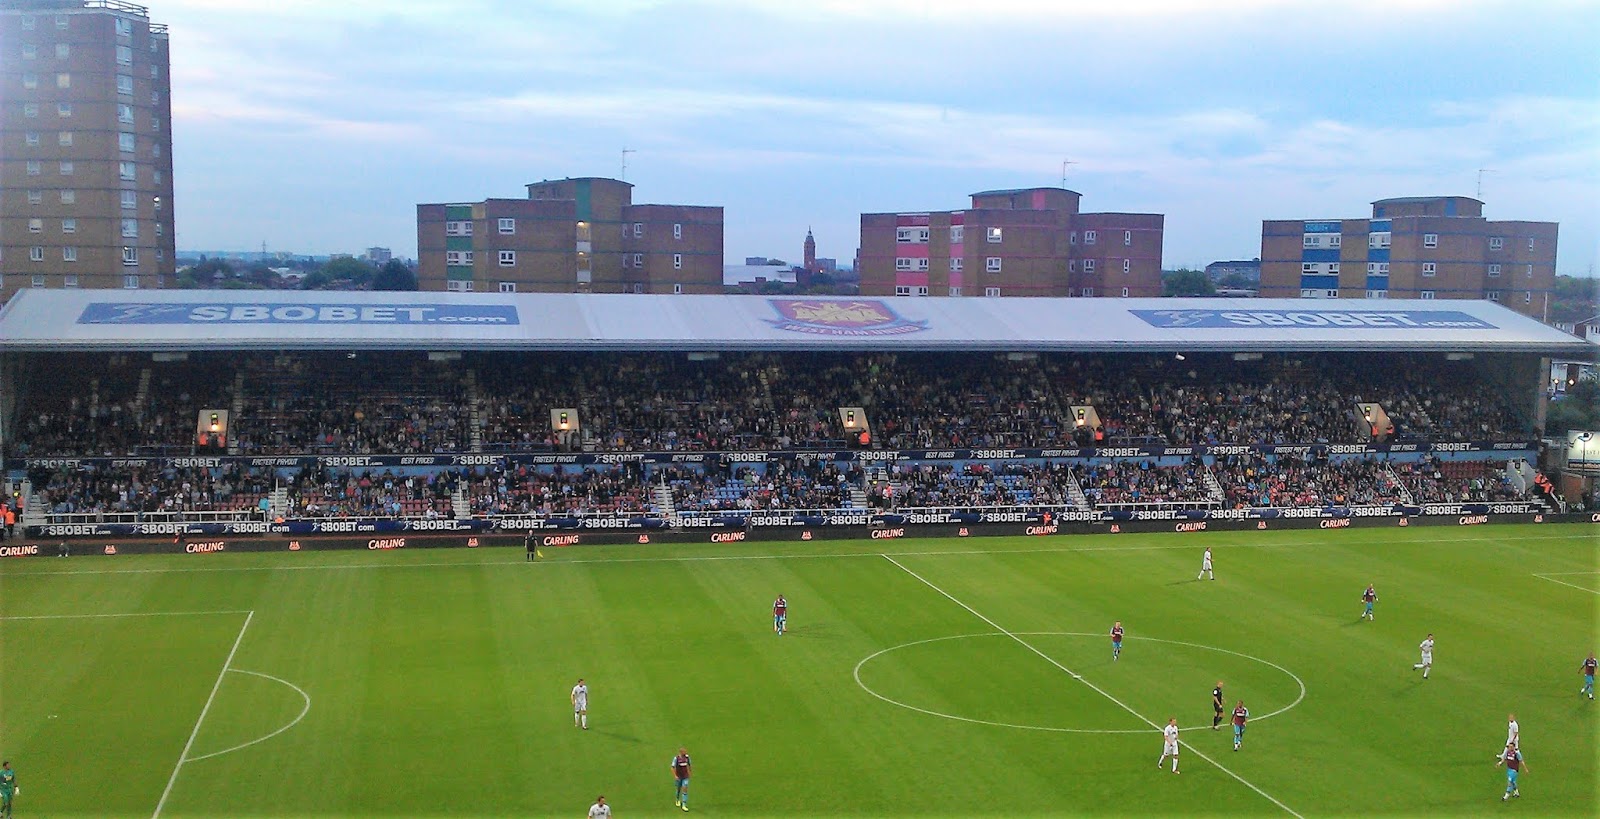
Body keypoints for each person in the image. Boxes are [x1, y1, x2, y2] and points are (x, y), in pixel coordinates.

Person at [671, 746, 692, 811]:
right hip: (679, 776)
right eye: (684, 752)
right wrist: (675, 776)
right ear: (681, 752)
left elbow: (689, 765)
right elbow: (672, 767)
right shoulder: (676, 758)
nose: (685, 753)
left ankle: (684, 805)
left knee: (685, 789)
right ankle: (677, 799)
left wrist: (690, 772)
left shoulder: (687, 758)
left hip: (685, 777)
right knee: (678, 789)